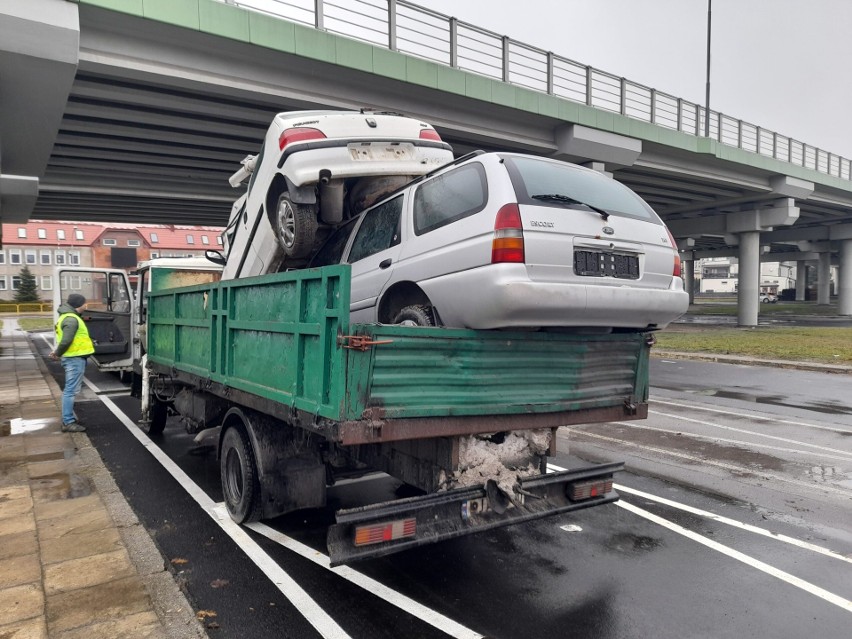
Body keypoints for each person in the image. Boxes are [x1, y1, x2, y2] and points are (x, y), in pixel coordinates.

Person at [49, 293, 95, 432]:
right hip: (74, 359)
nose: (86, 306)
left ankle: (68, 419)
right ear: (78, 305)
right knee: (70, 391)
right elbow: (67, 340)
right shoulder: (71, 319)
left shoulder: (68, 317)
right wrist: (57, 353)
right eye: (84, 304)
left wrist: (58, 352)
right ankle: (68, 422)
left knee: (70, 390)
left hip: (73, 358)